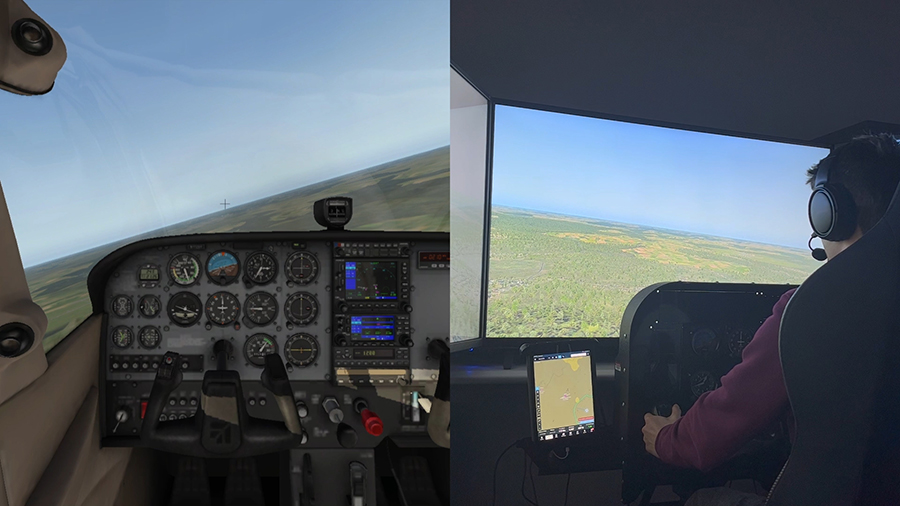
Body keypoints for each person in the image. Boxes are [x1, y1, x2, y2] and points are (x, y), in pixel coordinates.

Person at [640, 133, 900, 506]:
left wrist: (667, 438)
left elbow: (713, 434)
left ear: (830, 215)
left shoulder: (816, 310)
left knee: (702, 499)